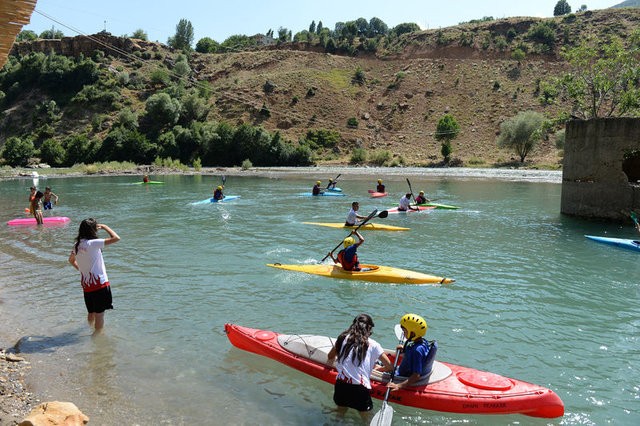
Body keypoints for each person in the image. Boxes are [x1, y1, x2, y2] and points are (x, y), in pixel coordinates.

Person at [327, 314, 393, 421]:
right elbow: (390, 366)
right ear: (369, 328)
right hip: (359, 388)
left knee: (340, 414)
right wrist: (377, 368)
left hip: (341, 385)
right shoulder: (374, 345)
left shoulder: (342, 338)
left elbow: (330, 356)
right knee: (366, 419)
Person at [68, 219, 121, 335]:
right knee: (100, 314)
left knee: (91, 312)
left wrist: (82, 270)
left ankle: (89, 329)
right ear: (92, 230)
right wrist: (105, 226)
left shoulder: (76, 246)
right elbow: (116, 238)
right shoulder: (93, 243)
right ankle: (97, 337)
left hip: (87, 285)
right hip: (99, 285)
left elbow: (71, 261)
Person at [387, 313, 438, 391]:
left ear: (413, 333)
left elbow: (416, 375)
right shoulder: (423, 342)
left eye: (405, 332)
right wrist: (404, 349)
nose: (403, 334)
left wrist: (399, 386)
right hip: (402, 369)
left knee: (379, 367)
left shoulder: (416, 351)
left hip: (402, 375)